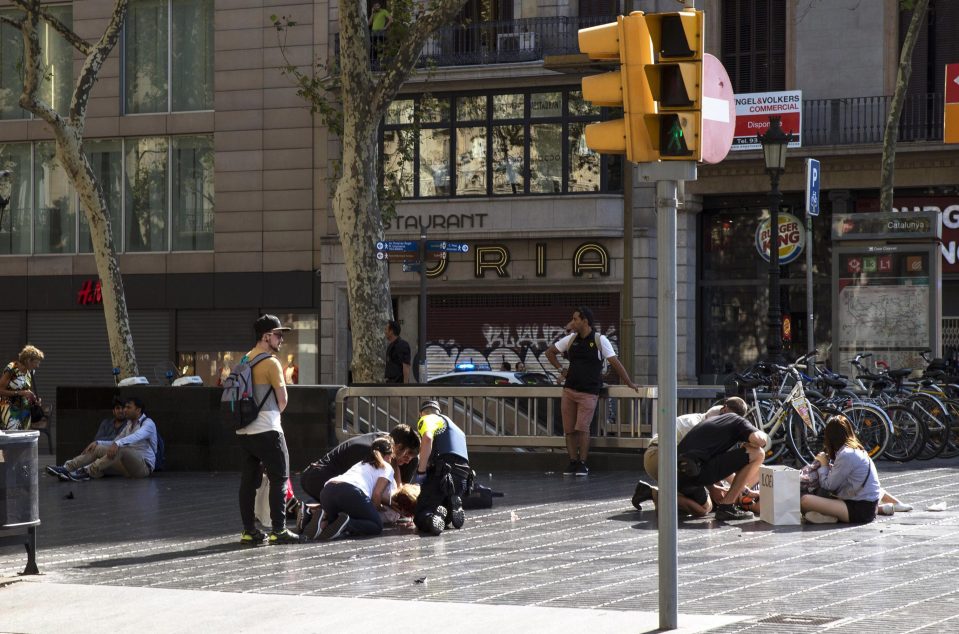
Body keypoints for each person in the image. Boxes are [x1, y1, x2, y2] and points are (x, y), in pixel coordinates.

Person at [545, 306, 639, 476]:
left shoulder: (599, 340)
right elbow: (550, 352)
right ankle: (573, 461)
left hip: (588, 391)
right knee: (569, 429)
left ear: (585, 321)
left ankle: (582, 463)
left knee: (582, 427)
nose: (572, 322)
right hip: (569, 390)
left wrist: (629, 382)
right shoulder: (571, 339)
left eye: (575, 319)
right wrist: (561, 370)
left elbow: (615, 362)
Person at [236, 314, 300, 545]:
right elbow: (282, 399)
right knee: (279, 478)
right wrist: (273, 415)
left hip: (244, 431)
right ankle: (279, 530)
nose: (281, 340)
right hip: (268, 429)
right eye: (278, 335)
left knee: (248, 481)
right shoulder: (271, 362)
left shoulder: (244, 359)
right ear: (266, 337)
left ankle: (248, 530)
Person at [296, 424, 421, 538]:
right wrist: (382, 506)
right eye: (406, 457)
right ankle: (332, 519)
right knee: (368, 519)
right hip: (318, 477)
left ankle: (313, 513)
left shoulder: (378, 448)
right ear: (397, 448)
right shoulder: (370, 453)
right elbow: (375, 493)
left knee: (343, 503)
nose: (407, 462)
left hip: (328, 486)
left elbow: (392, 481)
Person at [632, 397, 749, 515]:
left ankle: (662, 495)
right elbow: (694, 463)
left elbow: (718, 466)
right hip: (660, 457)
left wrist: (745, 491)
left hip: (661, 456)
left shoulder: (706, 422)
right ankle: (654, 493)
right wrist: (713, 488)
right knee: (704, 508)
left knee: (709, 498)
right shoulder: (700, 427)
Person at [669, 412, 768, 521]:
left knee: (706, 508)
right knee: (758, 453)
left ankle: (661, 496)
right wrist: (760, 438)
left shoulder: (716, 426)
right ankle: (727, 507)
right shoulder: (738, 421)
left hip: (675, 475)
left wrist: (747, 492)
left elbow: (721, 466)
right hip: (694, 472)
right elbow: (759, 440)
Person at [46, 397, 157, 481]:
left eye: (128, 407)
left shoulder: (148, 424)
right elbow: (115, 441)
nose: (125, 410)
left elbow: (137, 436)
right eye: (125, 407)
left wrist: (118, 444)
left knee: (121, 448)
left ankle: (87, 472)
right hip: (127, 468)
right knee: (98, 448)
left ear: (138, 410)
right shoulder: (129, 424)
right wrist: (97, 442)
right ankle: (67, 468)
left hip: (143, 468)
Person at [800, 415, 883, 524]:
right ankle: (886, 507)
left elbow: (828, 485)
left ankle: (828, 517)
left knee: (805, 501)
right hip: (868, 505)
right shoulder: (856, 449)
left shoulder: (846, 455)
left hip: (860, 510)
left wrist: (824, 465)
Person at [315, 436, 396, 540]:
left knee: (337, 520)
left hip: (327, 491)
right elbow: (377, 494)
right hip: (351, 492)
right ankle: (346, 524)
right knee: (376, 526)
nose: (391, 460)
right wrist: (378, 508)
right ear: (388, 455)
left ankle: (321, 521)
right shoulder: (386, 466)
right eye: (391, 456)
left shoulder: (361, 463)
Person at [412, 400, 472, 536]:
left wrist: (421, 471)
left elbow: (427, 438)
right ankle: (451, 507)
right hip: (463, 479)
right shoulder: (456, 428)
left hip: (443, 474)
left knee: (422, 513)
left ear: (421, 413)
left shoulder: (427, 419)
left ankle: (430, 517)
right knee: (442, 513)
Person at [0, 345, 44, 431]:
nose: (37, 366)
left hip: (24, 410)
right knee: (12, 437)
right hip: (9, 408)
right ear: (28, 360)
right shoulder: (12, 368)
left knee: (23, 439)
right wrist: (20, 393)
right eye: (36, 362)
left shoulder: (30, 372)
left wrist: (34, 400)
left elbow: (25, 390)